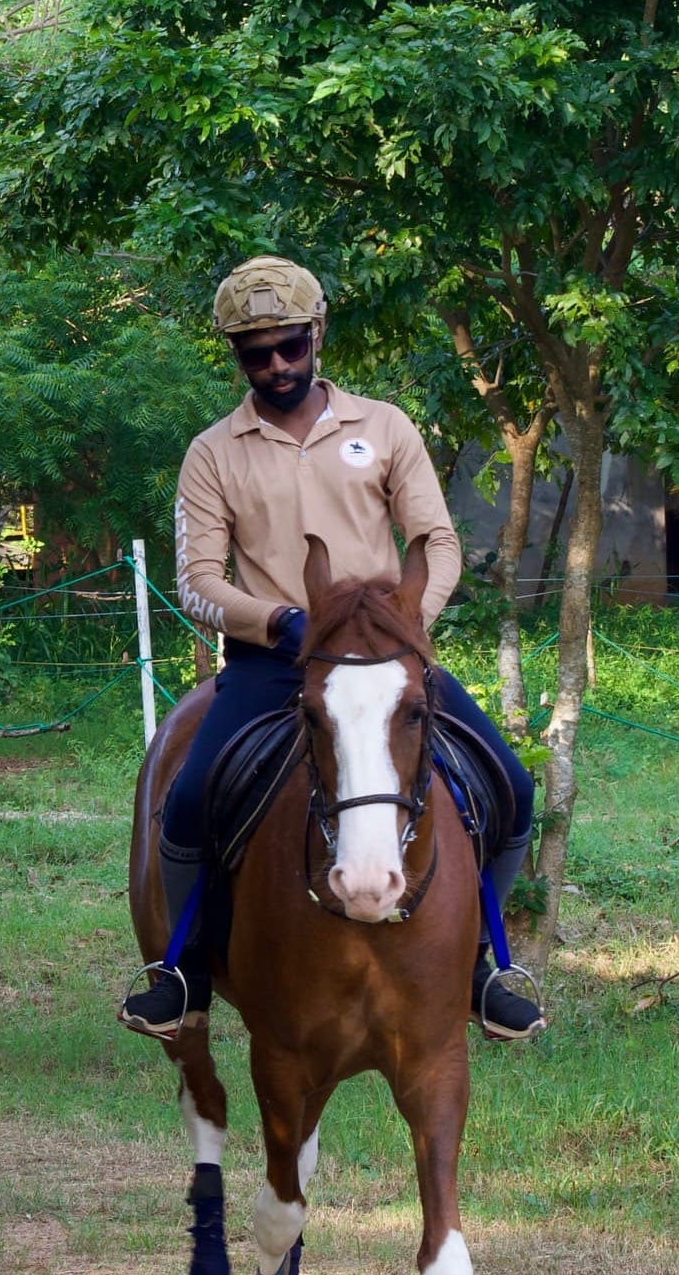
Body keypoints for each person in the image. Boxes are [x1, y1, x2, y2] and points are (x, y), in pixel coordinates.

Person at [119, 255, 545, 1045]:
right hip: (271, 662)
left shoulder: (384, 426)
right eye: (255, 353)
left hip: (387, 662)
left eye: (288, 346)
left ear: (317, 335)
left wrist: (411, 619)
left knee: (513, 788)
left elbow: (436, 539)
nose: (275, 365)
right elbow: (198, 581)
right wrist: (276, 620)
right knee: (186, 803)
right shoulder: (213, 452)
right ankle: (184, 974)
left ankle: (482, 966)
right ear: (237, 356)